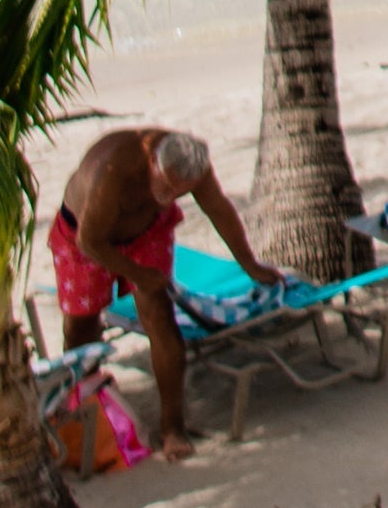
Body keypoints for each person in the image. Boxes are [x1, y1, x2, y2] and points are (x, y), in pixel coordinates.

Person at [50, 126, 271, 456]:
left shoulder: (194, 166)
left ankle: (172, 427)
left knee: (161, 319)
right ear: (152, 161)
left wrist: (250, 264)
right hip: (84, 236)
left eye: (180, 192)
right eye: (165, 184)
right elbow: (89, 241)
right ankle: (87, 411)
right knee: (81, 327)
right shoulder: (114, 168)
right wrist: (138, 274)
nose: (170, 195)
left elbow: (218, 209)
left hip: (146, 232)